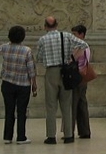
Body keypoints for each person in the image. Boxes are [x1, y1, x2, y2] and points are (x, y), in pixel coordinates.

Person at [35, 16, 88, 144]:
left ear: (45, 26)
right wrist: (72, 58)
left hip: (51, 72)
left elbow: (39, 58)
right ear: (57, 25)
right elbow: (84, 44)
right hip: (66, 72)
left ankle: (51, 136)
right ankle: (69, 134)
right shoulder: (66, 36)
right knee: (66, 104)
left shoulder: (43, 39)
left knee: (51, 105)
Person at [0, 25, 37, 144]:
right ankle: (21, 136)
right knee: (22, 111)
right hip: (23, 84)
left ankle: (8, 136)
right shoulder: (27, 50)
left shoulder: (5, 48)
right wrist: (34, 84)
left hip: (7, 83)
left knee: (9, 110)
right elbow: (31, 70)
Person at [69, 24, 92, 139]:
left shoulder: (82, 46)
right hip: (83, 76)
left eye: (75, 34)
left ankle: (70, 131)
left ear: (81, 34)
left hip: (77, 76)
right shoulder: (86, 46)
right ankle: (84, 130)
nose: (73, 37)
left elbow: (73, 59)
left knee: (73, 103)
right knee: (81, 103)